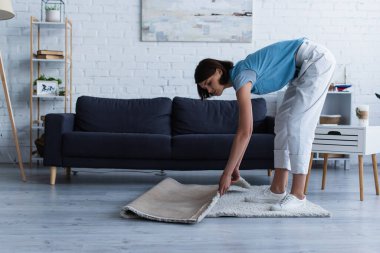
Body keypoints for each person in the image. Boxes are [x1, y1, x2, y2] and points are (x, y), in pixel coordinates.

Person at [194, 38, 336, 211]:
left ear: (218, 71)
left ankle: (298, 194)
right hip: (300, 71)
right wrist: (236, 166)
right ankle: (277, 189)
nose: (209, 90)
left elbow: (245, 131)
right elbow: (245, 132)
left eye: (209, 83)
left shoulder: (241, 76)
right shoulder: (240, 74)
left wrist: (227, 172)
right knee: (282, 123)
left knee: (297, 125)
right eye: (205, 88)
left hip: (315, 60)